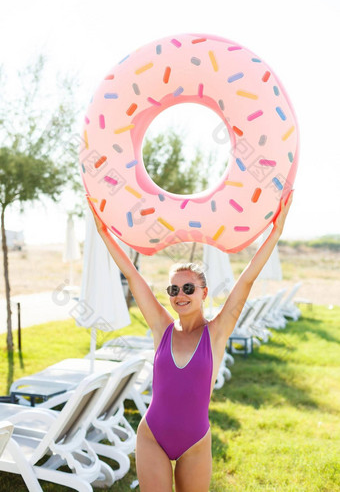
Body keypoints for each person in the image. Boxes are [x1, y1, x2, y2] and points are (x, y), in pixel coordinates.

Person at [87, 191, 293, 492]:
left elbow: (246, 280)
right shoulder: (162, 327)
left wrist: (276, 231)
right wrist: (104, 233)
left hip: (195, 442)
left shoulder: (218, 331)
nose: (180, 295)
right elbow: (132, 275)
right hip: (152, 436)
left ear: (204, 293)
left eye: (187, 288)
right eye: (173, 289)